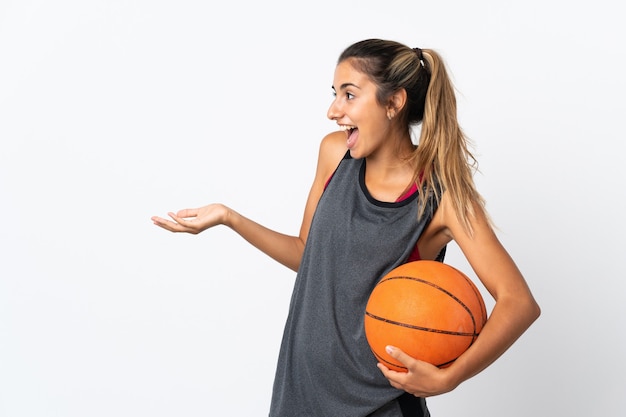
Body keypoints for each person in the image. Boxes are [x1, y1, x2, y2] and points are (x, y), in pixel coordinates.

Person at [151, 38, 541, 417]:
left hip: (379, 405)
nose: (333, 110)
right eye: (335, 93)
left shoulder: (441, 197)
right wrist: (229, 217)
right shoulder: (335, 153)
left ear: (394, 103)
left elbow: (518, 302)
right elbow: (308, 254)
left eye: (349, 95)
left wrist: (450, 378)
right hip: (299, 394)